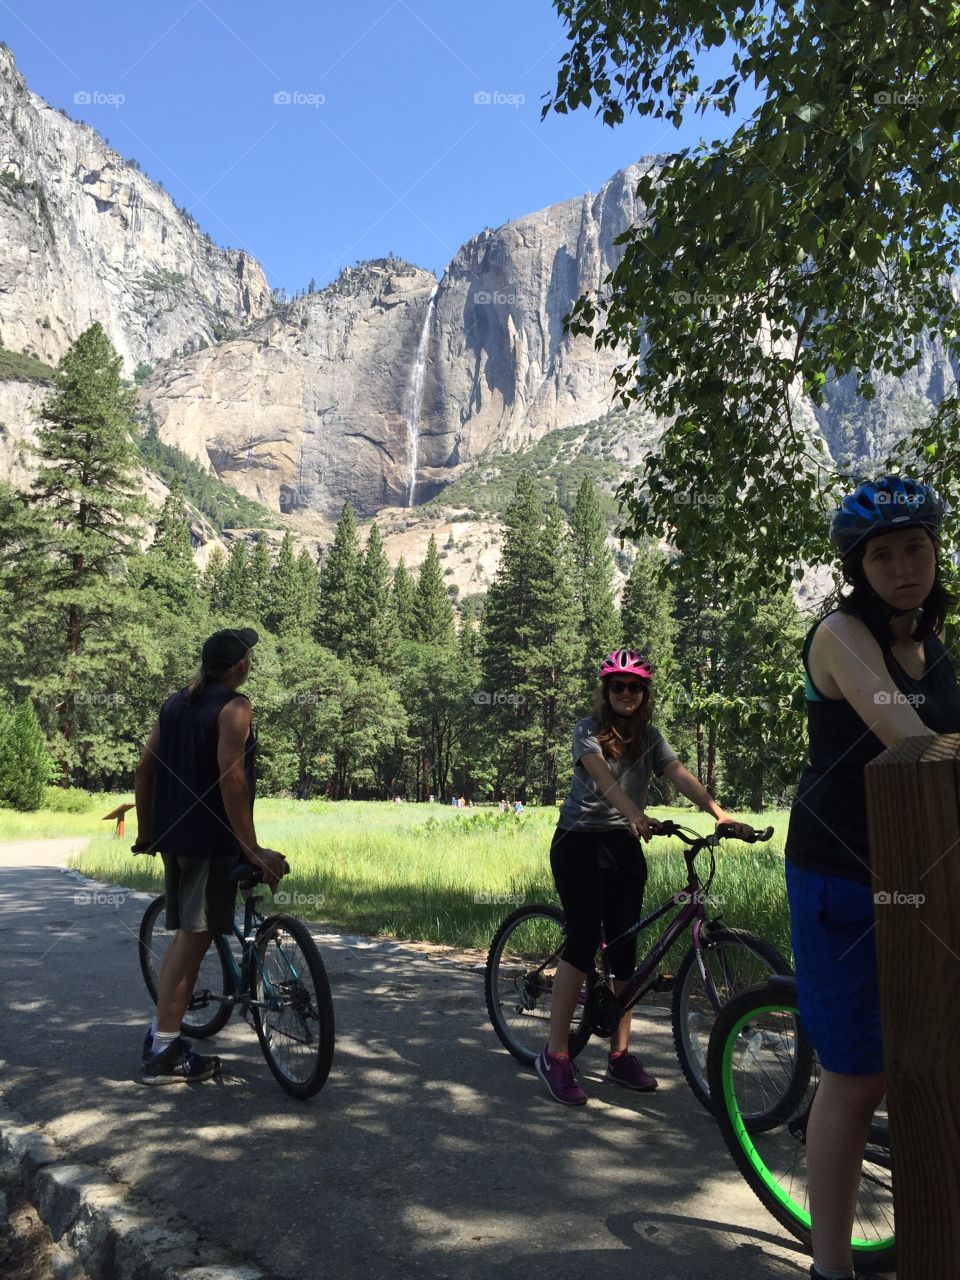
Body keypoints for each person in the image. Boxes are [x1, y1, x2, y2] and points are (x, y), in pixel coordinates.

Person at [784, 476, 960, 1280]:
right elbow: (913, 738)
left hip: (928, 868)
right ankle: (831, 1268)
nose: (902, 567)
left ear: (935, 551)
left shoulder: (939, 644)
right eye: (881, 554)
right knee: (856, 1078)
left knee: (935, 1055)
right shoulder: (841, 636)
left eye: (915, 548)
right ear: (858, 567)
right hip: (843, 877)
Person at [536, 648, 753, 1106]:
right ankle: (555, 1056)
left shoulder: (650, 737)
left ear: (644, 693)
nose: (626, 693)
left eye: (635, 687)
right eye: (618, 685)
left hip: (622, 847)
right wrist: (635, 813)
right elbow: (603, 780)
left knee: (624, 950)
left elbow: (677, 772)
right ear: (606, 690)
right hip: (578, 841)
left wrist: (719, 813)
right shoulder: (586, 730)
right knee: (581, 940)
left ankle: (619, 1056)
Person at [132, 627, 289, 1085]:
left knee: (185, 936)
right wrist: (251, 848)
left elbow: (144, 768)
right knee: (193, 940)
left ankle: (162, 1032)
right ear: (241, 666)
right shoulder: (235, 707)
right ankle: (163, 1051)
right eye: (249, 657)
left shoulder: (175, 703)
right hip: (208, 844)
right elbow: (231, 780)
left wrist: (147, 832)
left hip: (175, 841)